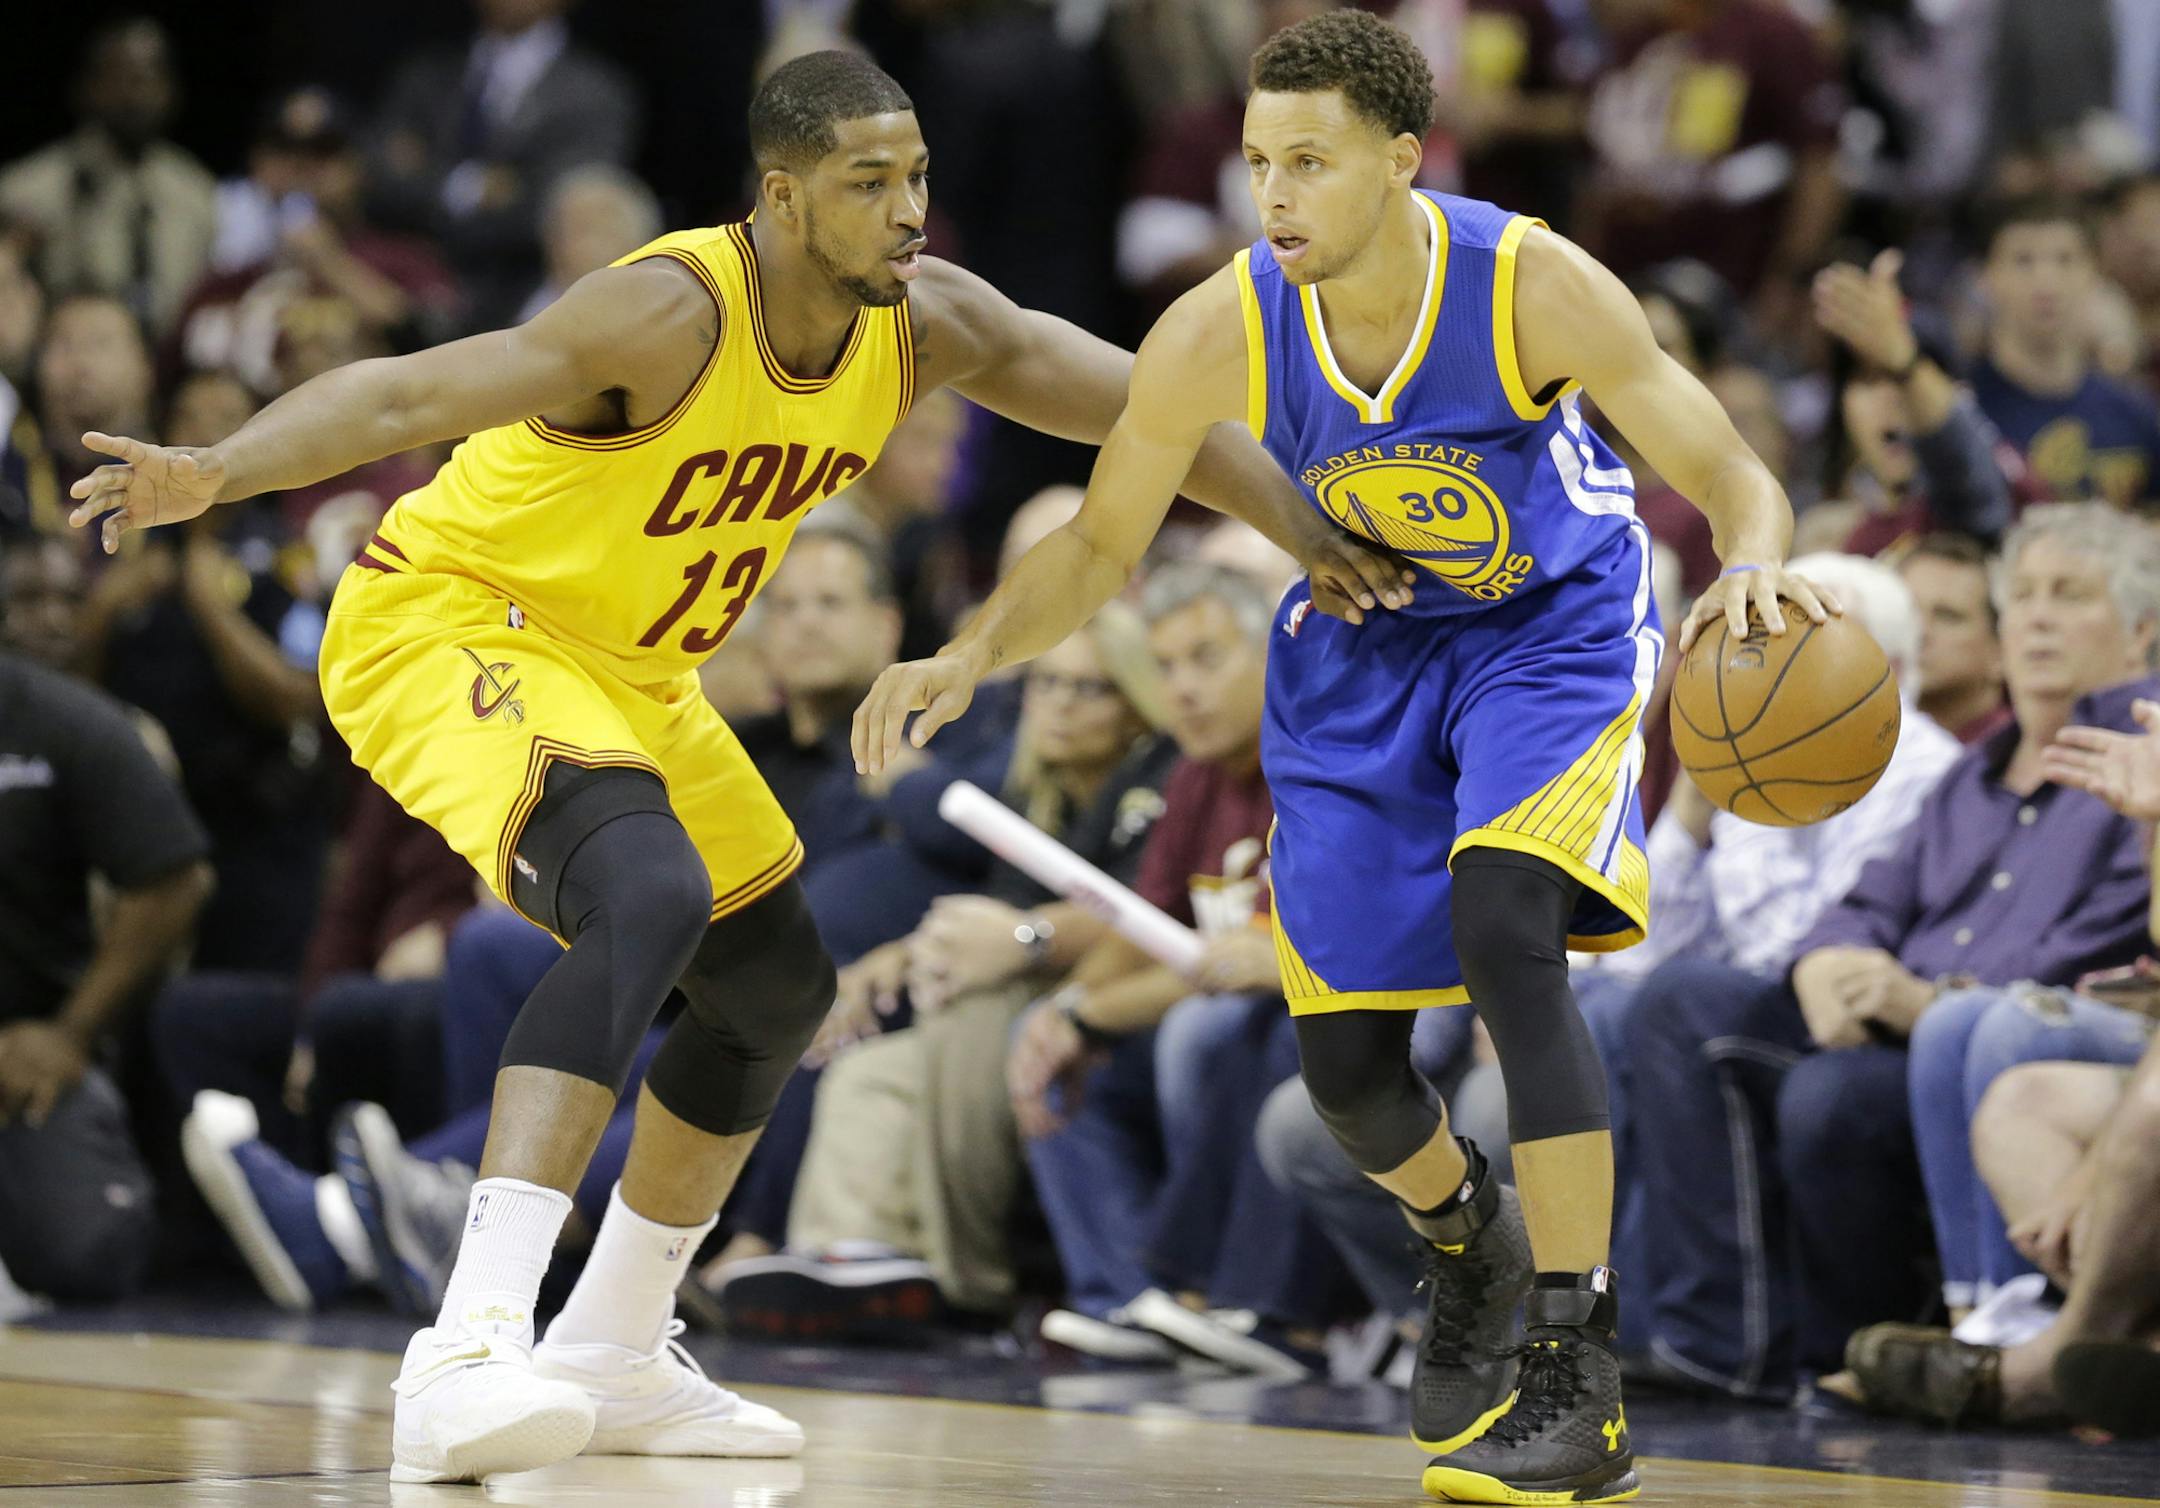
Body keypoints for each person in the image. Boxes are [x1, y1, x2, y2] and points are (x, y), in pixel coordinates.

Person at [67, 49, 1398, 1487]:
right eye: (869, 184)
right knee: (643, 891)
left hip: (635, 673)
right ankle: (464, 1346)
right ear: (782, 196)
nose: (908, 212)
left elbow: (1154, 413)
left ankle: (615, 1349)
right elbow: (410, 391)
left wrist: (1308, 527)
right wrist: (221, 467)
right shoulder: (666, 309)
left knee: (772, 988)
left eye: (919, 179)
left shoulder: (926, 323)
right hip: (452, 619)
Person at [854, 12, 1833, 1502]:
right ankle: (1467, 1240)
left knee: (1510, 930)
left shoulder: (1531, 280)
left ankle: (1580, 1373)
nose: (1277, 195)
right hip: (1363, 652)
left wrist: (1757, 562)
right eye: (1257, 164)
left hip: (1547, 635)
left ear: (1402, 155)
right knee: (1350, 1073)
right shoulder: (1219, 324)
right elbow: (1106, 542)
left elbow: (1724, 468)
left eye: (1308, 161)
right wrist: (970, 651)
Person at [0, 634, 214, 1303]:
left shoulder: (56, 717)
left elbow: (175, 876)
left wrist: (72, 1030)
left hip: (19, 1046)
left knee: (87, 1251)